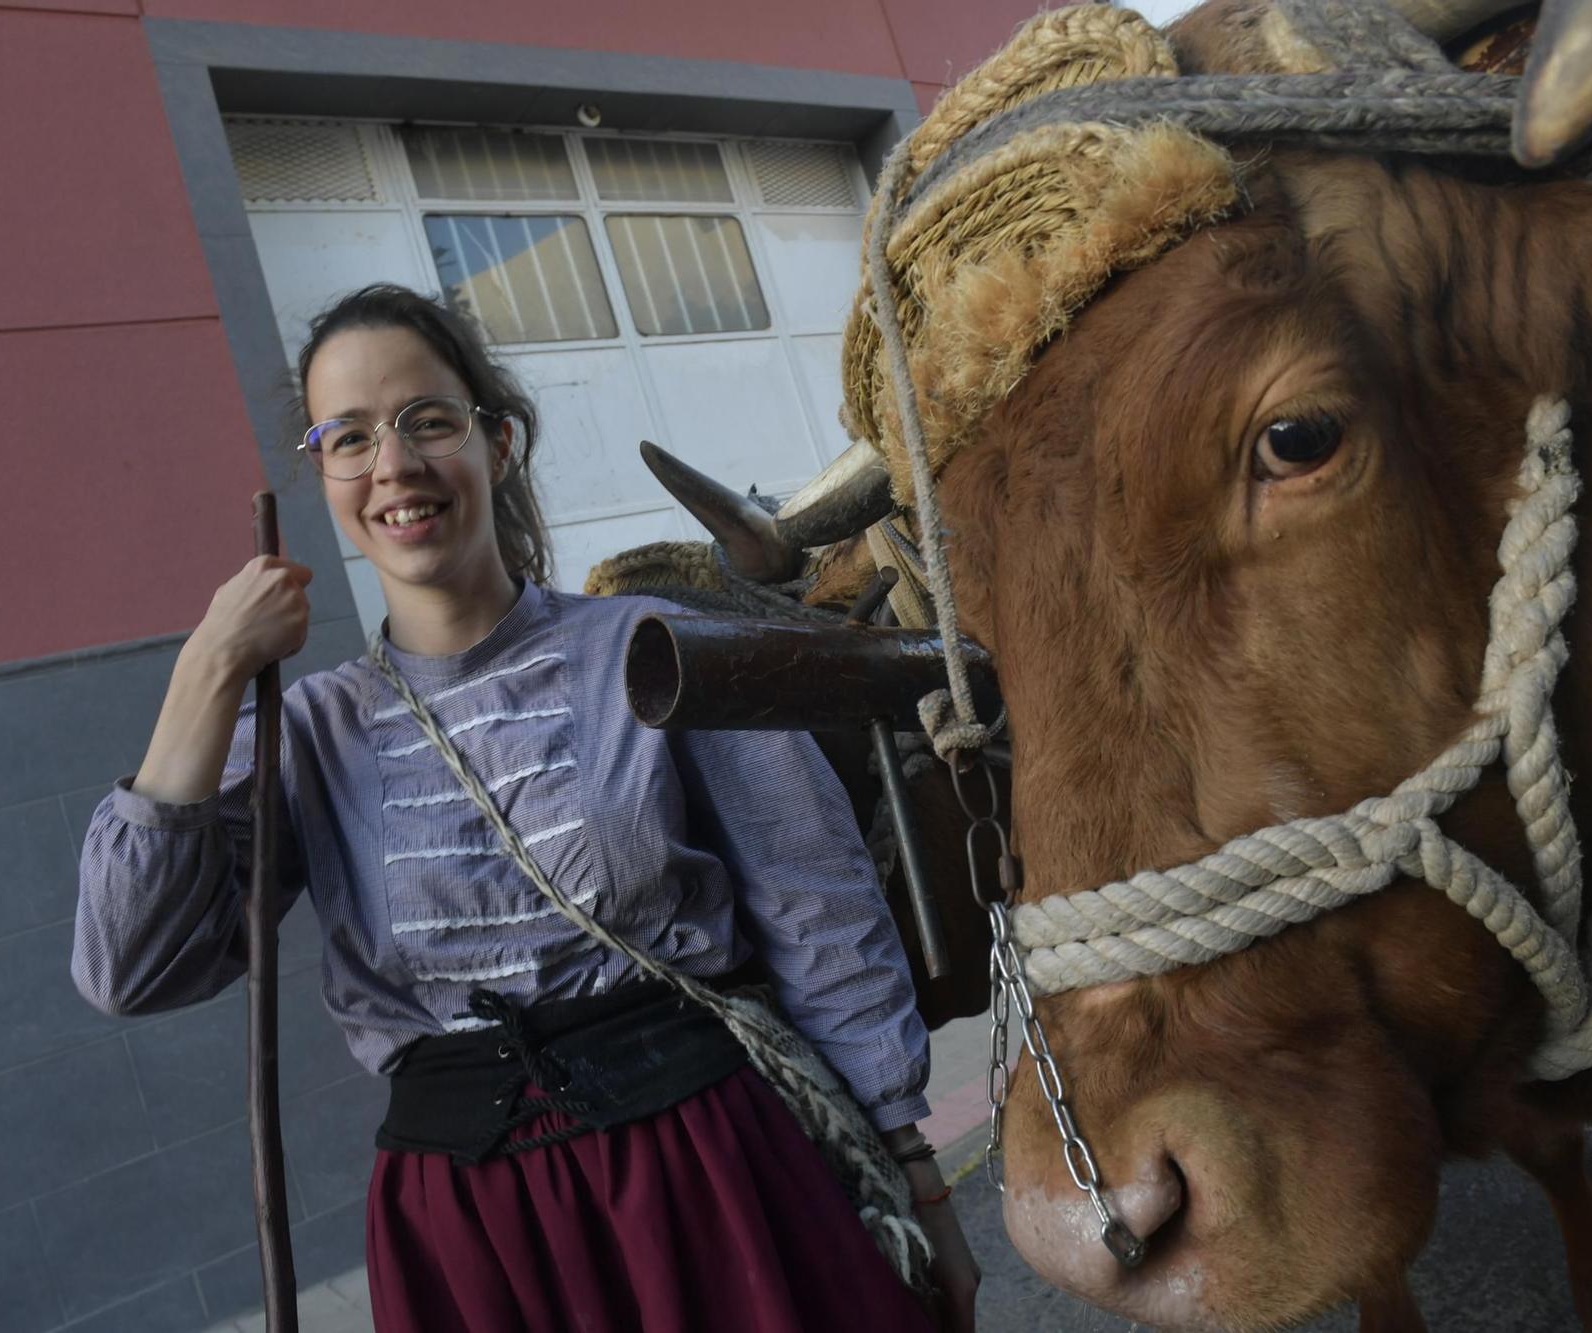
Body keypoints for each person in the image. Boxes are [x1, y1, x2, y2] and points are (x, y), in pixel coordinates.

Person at [72, 282, 978, 1333]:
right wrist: (209, 668)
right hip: (474, 1236)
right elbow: (129, 968)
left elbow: (818, 910)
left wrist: (916, 1177)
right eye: (349, 437)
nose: (395, 465)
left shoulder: (656, 648)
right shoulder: (305, 734)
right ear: (320, 475)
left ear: (497, 443)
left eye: (428, 420)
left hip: (716, 1176)